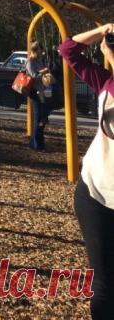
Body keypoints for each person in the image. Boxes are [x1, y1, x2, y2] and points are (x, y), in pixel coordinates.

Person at [58, 24, 114, 320]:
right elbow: (67, 50)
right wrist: (102, 31)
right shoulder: (105, 82)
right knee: (104, 282)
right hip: (95, 191)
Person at [25, 41, 50, 150]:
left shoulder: (39, 60)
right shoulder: (30, 62)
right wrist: (43, 72)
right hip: (34, 91)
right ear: (34, 50)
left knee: (43, 116)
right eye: (39, 50)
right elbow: (34, 76)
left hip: (41, 90)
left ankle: (34, 142)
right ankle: (36, 144)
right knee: (38, 117)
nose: (41, 53)